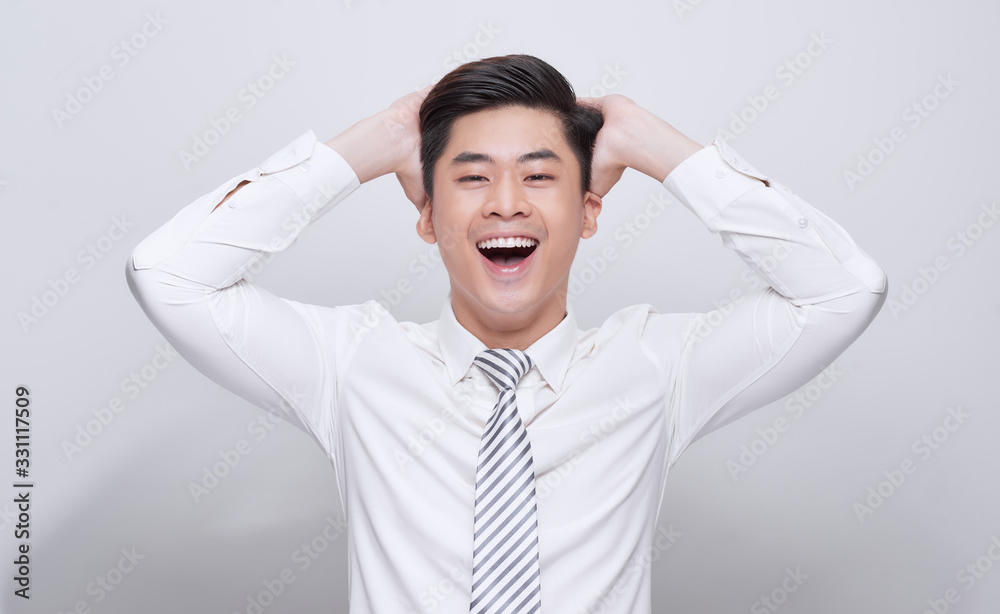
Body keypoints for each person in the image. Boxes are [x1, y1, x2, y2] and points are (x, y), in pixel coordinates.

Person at [125, 54, 887, 613]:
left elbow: (845, 289)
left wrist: (650, 140)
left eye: (539, 174)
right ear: (426, 215)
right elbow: (166, 273)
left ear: (589, 210)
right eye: (471, 176)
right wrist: (382, 137)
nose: (505, 204)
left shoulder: (657, 368)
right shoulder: (352, 365)